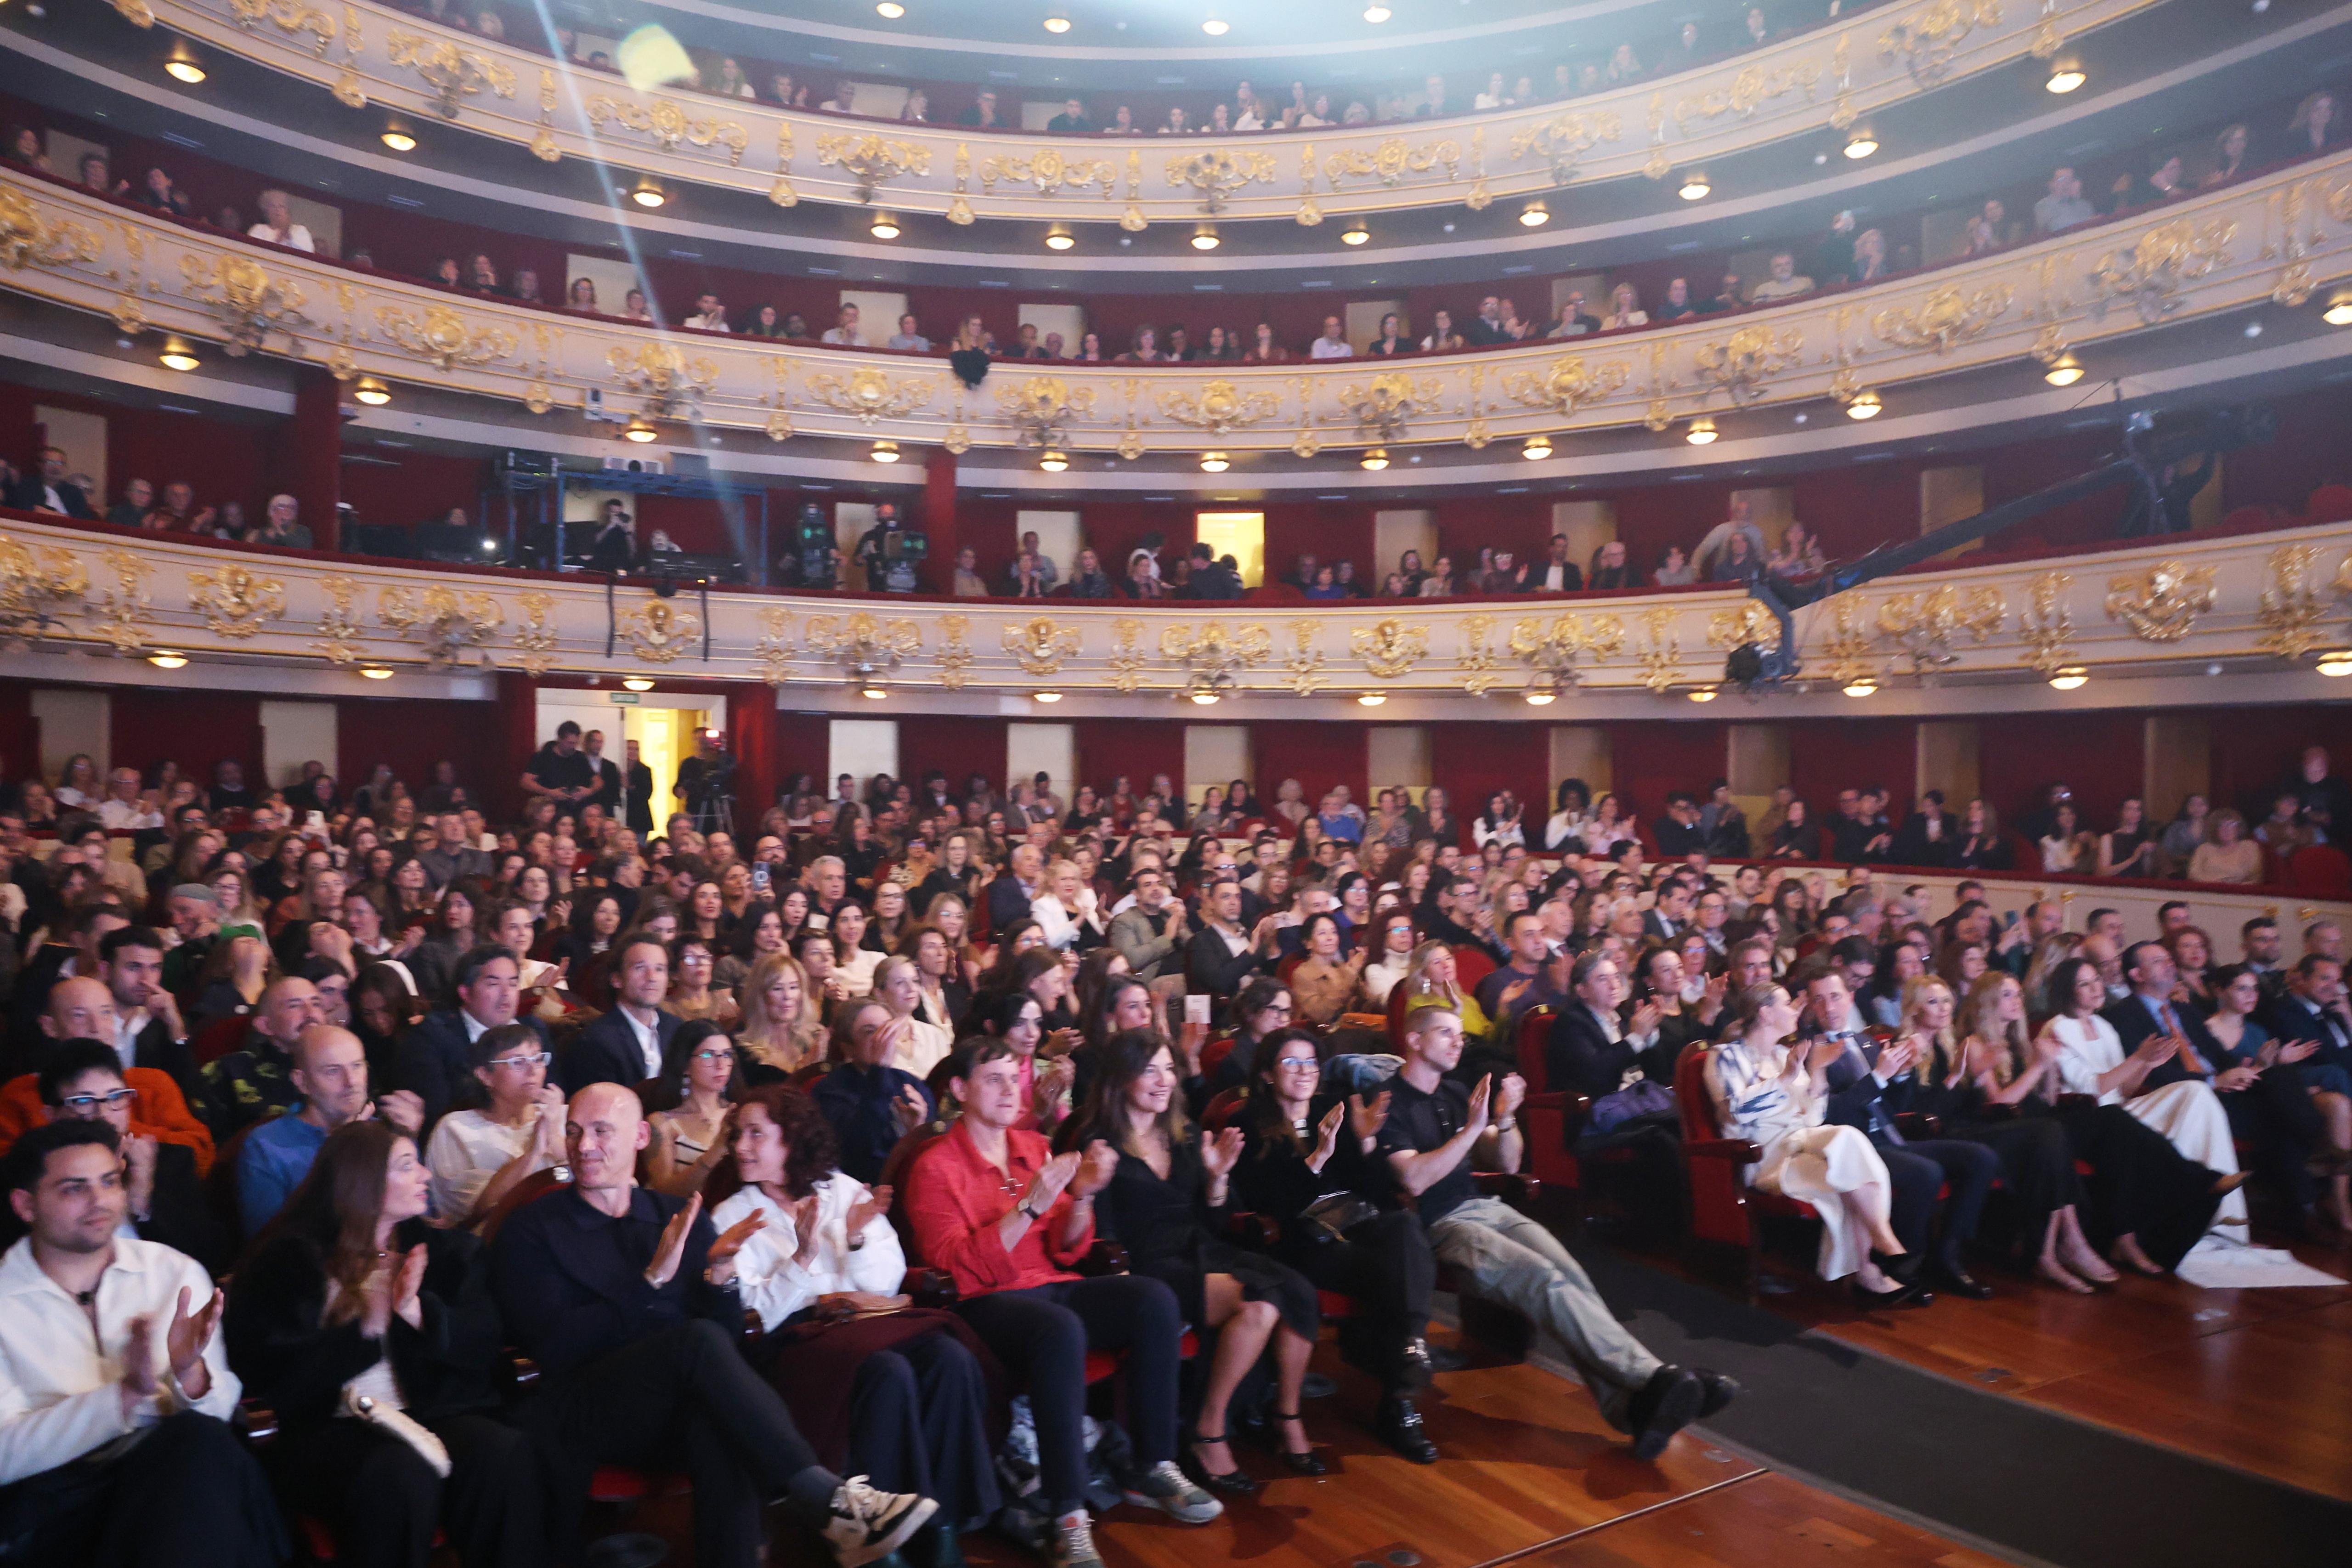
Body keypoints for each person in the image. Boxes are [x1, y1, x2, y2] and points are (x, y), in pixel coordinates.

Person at [492, 1083, 937, 1568]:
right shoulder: (532, 1227)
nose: (584, 1146)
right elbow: (555, 1346)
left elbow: (727, 1337)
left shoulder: (673, 1216)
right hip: (584, 1404)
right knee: (695, 1345)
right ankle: (826, 1497)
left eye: (602, 1130)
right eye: (574, 1131)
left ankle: (811, 1516)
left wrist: (721, 1281)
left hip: (675, 1402)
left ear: (641, 1136)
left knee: (719, 1418)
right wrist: (649, 1282)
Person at [906, 1041, 1220, 1568]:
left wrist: (1085, 1196)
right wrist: (1029, 1204)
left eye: (1015, 1078)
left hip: (1051, 1280)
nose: (1011, 1089)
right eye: (994, 1079)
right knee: (1060, 1328)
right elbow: (956, 1267)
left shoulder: (1033, 1144)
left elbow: (1066, 1246)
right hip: (984, 1302)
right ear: (959, 1090)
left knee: (1153, 1299)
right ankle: (1066, 1512)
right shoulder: (935, 1165)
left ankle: (1152, 1463)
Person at [1382, 1007, 1733, 1454]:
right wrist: (1471, 1130)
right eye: (1444, 1033)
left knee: (1570, 1270)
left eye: (1458, 1033)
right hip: (1436, 1225)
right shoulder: (1390, 1100)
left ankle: (1628, 1406)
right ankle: (1654, 1377)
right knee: (1542, 1279)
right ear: (1413, 1040)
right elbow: (1412, 1180)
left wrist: (1505, 1120)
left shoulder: (1453, 1091)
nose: (1457, 1041)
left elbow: (1506, 1162)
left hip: (1483, 1206)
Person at [226, 1119, 539, 1568]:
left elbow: (486, 1337)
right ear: (364, 1183)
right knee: (400, 1473)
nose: (425, 1175)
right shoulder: (286, 1260)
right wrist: (364, 1332)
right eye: (407, 1166)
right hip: (329, 1427)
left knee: (499, 1451)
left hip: (428, 1411)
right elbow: (272, 1382)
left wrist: (417, 1313)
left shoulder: (439, 1250)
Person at [710, 1086, 996, 1556]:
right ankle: (878, 1543)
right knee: (890, 1371)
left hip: (868, 1323)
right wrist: (802, 1262)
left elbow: (888, 1280)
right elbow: (751, 1313)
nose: (741, 1145)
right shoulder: (732, 1214)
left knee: (949, 1356)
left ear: (793, 1137)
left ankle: (943, 1524)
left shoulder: (840, 1188)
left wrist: (858, 1238)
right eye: (738, 1134)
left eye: (755, 1133)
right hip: (794, 1343)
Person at [0, 1120, 282, 1568]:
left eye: (110, 1181)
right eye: (75, 1188)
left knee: (201, 1445)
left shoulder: (173, 1272)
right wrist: (125, 1396)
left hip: (176, 1479)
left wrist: (192, 1375)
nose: (100, 1201)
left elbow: (218, 1414)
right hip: (57, 1507)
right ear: (25, 1204)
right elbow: (5, 1454)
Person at [1066, 1031, 1325, 1490]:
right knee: (1261, 1301)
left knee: (1295, 1291)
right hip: (1146, 1267)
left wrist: (1217, 1179)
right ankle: (1209, 1427)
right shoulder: (1097, 1141)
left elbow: (1216, 1217)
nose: (1163, 1080)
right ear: (1120, 1078)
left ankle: (1278, 1413)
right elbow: (1098, 1235)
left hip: (1200, 1248)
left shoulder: (1181, 1133)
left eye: (1168, 1069)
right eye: (1149, 1070)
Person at [1705, 984, 1914, 1299]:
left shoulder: (1782, 1054)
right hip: (1764, 1158)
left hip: (1803, 1144)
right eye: (1788, 1004)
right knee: (1848, 1144)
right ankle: (1877, 1250)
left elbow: (1813, 1118)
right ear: (1765, 1013)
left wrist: (1817, 1071)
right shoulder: (1726, 1056)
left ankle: (1870, 1266)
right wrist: (1786, 1078)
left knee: (1852, 1161)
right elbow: (1735, 1112)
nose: (1796, 1011)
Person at [26, 1039, 226, 1271]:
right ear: (50, 1115)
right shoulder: (28, 1172)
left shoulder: (171, 1161)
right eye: (83, 1101)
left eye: (115, 1097)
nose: (103, 1115)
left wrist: (142, 1200)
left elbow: (211, 1260)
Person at [239, 1024, 422, 1237]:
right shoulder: (266, 1146)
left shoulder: (387, 1133)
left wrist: (410, 1140)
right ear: (302, 1082)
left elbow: (419, 1224)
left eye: (357, 1066)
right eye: (333, 1071)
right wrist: (346, 1149)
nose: (351, 1082)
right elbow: (270, 1244)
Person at [423, 1020, 565, 1228]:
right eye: (518, 1062)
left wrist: (555, 1140)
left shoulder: (563, 1114)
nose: (533, 1070)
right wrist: (532, 1154)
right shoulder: (457, 1130)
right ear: (485, 1076)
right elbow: (478, 1213)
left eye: (538, 1059)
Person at [562, 933, 683, 1091]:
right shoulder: (597, 1040)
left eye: (659, 969)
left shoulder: (677, 1029)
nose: (652, 977)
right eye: (640, 968)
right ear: (617, 979)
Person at [247, 187, 316, 251]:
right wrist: (277, 240)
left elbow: (309, 253)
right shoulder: (258, 230)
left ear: (287, 210)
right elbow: (252, 251)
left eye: (281, 206)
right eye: (273, 206)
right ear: (267, 210)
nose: (277, 210)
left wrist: (290, 237)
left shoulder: (300, 230)